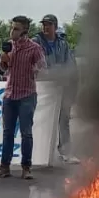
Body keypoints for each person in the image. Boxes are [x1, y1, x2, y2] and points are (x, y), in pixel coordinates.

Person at [0, 15, 45, 180]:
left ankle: (26, 167)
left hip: (27, 95)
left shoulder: (34, 48)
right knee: (7, 132)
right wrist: (3, 61)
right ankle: (5, 167)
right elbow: (4, 70)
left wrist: (35, 69)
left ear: (25, 31)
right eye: (12, 27)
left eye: (16, 28)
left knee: (26, 132)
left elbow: (42, 67)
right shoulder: (9, 47)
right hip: (10, 94)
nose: (12, 31)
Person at [36, 14, 77, 163]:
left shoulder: (63, 44)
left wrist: (66, 76)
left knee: (64, 118)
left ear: (55, 26)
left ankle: (66, 151)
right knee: (40, 119)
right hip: (43, 86)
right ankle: (36, 153)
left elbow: (70, 64)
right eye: (44, 24)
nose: (45, 27)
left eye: (49, 24)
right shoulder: (36, 42)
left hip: (61, 85)